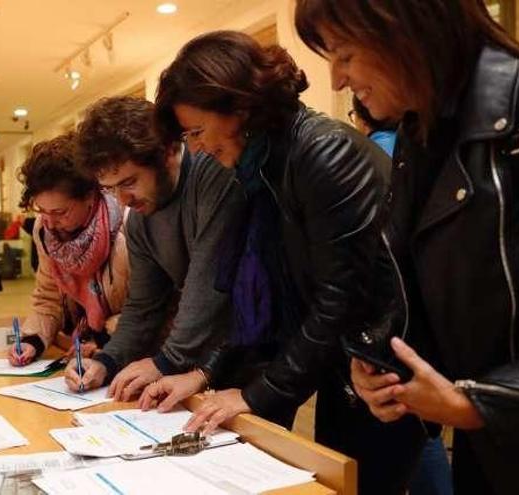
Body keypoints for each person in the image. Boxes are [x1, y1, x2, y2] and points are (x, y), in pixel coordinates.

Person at [294, 0, 519, 493]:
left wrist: (479, 402)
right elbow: (433, 294)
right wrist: (381, 363)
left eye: (343, 53)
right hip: (498, 457)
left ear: (407, 29)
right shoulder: (418, 135)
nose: (338, 80)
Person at [145, 31, 420, 494]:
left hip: (378, 370)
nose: (195, 148)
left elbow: (339, 300)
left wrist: (255, 395)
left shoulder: (320, 152)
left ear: (238, 106)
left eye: (196, 132)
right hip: (344, 366)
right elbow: (265, 298)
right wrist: (207, 372)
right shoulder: (262, 165)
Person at [64, 96, 245, 403]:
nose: (122, 200)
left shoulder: (213, 173)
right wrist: (106, 361)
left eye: (130, 181)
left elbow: (209, 283)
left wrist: (165, 361)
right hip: (201, 364)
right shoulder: (140, 221)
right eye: (111, 189)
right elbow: (143, 305)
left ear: (168, 153)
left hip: (252, 351)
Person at [353, 94, 454, 495]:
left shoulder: (380, 150)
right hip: (422, 311)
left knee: (411, 412)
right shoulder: (412, 146)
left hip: (401, 313)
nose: (339, 78)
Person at [7, 133, 129, 365]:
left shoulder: (127, 229)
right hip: (78, 354)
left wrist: (104, 343)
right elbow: (48, 298)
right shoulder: (45, 232)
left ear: (90, 197)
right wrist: (32, 340)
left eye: (60, 212)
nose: (49, 222)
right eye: (41, 210)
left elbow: (150, 310)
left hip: (126, 354)